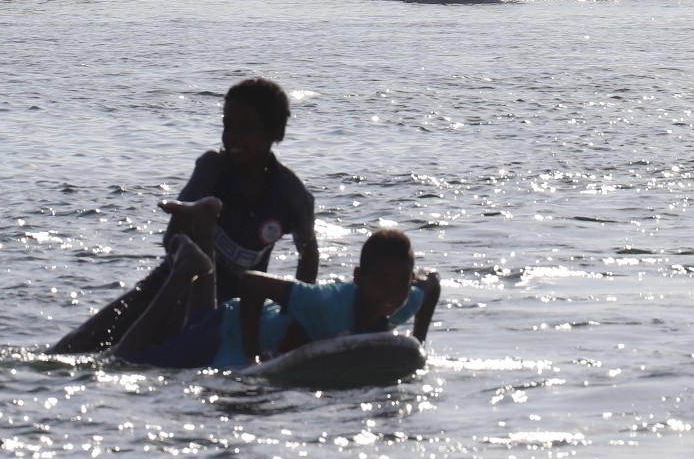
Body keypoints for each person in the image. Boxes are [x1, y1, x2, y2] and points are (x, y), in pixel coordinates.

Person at [50, 77, 318, 355]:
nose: (232, 137)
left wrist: (296, 314)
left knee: (137, 357)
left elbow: (308, 254)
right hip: (167, 288)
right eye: (227, 125)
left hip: (230, 313)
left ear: (275, 132)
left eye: (245, 127)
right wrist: (194, 234)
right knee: (71, 350)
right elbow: (171, 239)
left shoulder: (292, 196)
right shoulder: (213, 168)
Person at [116, 225, 440, 371]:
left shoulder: (404, 299)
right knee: (129, 362)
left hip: (245, 322)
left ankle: (199, 258)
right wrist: (253, 354)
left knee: (196, 323)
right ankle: (184, 271)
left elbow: (432, 284)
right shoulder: (326, 303)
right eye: (380, 282)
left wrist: (418, 342)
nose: (389, 294)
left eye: (399, 284)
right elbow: (252, 282)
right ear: (358, 278)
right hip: (230, 329)